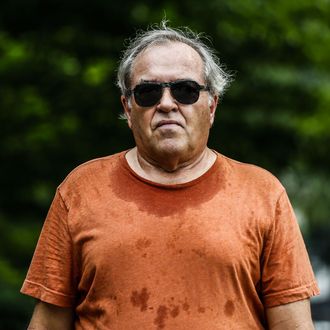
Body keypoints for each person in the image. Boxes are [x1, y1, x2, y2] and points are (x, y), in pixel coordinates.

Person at [21, 22, 319, 329]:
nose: (166, 104)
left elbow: (293, 326)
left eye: (185, 91)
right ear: (128, 107)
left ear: (212, 105)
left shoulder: (263, 194)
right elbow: (46, 324)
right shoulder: (80, 191)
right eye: (148, 92)